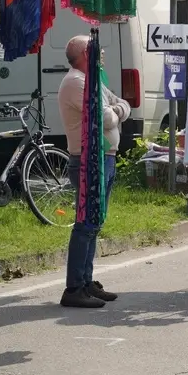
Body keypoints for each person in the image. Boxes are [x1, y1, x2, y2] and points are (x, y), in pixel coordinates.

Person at [58, 35, 132, 308]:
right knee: (86, 224)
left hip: (103, 158)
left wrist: (115, 110)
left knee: (94, 223)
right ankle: (75, 286)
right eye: (97, 52)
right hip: (89, 161)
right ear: (84, 55)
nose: (102, 57)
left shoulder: (92, 81)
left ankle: (86, 281)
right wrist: (115, 111)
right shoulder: (76, 82)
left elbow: (123, 104)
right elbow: (106, 117)